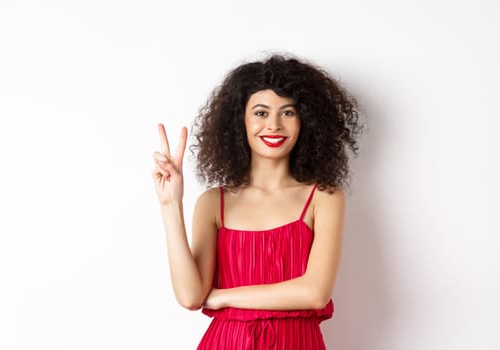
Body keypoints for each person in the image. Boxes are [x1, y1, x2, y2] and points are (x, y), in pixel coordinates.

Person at [151, 54, 363, 349]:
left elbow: (315, 293)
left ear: (306, 121)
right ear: (241, 120)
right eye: (261, 113)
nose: (274, 125)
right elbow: (190, 296)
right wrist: (170, 205)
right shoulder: (214, 203)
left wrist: (224, 296)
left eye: (287, 112)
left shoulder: (324, 198)